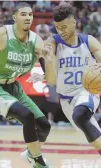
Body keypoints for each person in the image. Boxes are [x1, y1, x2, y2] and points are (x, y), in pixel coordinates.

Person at [0, 2, 51, 168]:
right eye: (23, 14)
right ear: (14, 17)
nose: (28, 17)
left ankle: (30, 154)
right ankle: (38, 162)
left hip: (14, 87)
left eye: (30, 14)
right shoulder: (0, 34)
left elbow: (48, 70)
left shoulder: (36, 41)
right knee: (27, 116)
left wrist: (45, 67)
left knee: (44, 126)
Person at [44, 3, 101, 155]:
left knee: (80, 115)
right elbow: (51, 81)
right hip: (66, 101)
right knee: (95, 139)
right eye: (58, 27)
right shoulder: (53, 42)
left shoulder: (89, 41)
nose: (61, 31)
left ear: (74, 22)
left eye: (64, 27)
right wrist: (49, 60)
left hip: (87, 91)